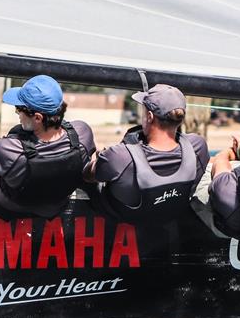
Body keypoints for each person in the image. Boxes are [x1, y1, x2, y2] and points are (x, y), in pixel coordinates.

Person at [84, 84, 209, 223]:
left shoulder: (120, 156)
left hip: (127, 217)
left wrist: (101, 159)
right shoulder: (197, 146)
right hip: (171, 216)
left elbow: (88, 176)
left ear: (149, 116)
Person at [0, 75, 95, 218]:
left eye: (18, 109)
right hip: (56, 205)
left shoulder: (7, 149)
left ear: (38, 118)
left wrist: (2, 145)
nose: (18, 114)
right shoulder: (82, 133)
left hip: (12, 207)